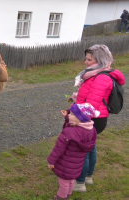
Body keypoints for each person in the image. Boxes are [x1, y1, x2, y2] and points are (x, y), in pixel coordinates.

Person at [71, 44, 126, 192]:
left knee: (82, 150)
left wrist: (75, 113)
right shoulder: (97, 74)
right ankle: (88, 177)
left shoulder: (101, 77)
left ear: (100, 61)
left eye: (89, 60)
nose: (85, 62)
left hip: (91, 118)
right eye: (86, 59)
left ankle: (79, 183)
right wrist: (77, 98)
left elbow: (91, 106)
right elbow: (93, 98)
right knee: (90, 148)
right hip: (95, 117)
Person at [48, 103, 98, 200]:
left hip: (65, 163)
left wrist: (51, 161)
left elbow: (59, 148)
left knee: (63, 182)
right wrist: (68, 119)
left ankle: (61, 198)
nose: (69, 115)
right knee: (71, 179)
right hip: (77, 163)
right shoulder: (91, 130)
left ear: (79, 118)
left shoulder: (69, 132)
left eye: (71, 114)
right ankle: (68, 195)